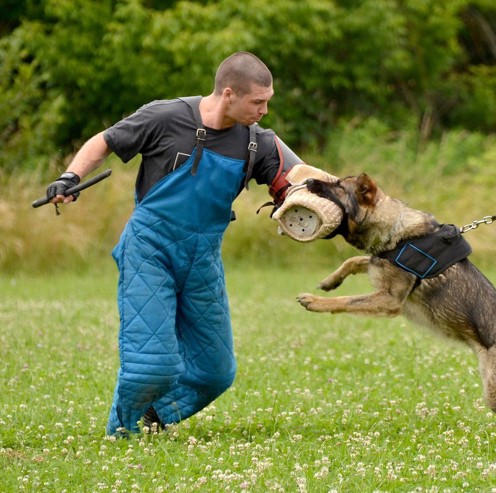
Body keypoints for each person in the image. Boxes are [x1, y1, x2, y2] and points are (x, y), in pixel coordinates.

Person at [45, 52, 303, 436]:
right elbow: (105, 141)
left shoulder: (258, 143)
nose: (265, 110)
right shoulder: (166, 117)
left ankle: (153, 418)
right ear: (229, 94)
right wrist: (69, 177)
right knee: (152, 364)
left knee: (216, 372)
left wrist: (313, 201)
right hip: (150, 248)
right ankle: (123, 431)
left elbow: (299, 178)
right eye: (258, 102)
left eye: (268, 101)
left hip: (204, 257)